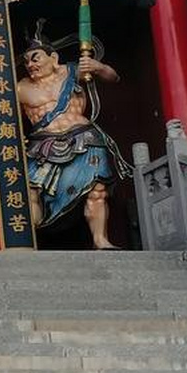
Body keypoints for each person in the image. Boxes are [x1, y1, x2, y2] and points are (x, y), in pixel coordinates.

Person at [16, 24, 126, 249]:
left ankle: (100, 240)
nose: (30, 65)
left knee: (97, 189)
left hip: (84, 139)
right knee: (31, 190)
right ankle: (31, 241)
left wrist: (98, 66)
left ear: (53, 57)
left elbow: (113, 78)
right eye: (27, 61)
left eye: (35, 58)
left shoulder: (73, 71)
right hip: (43, 144)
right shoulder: (19, 88)